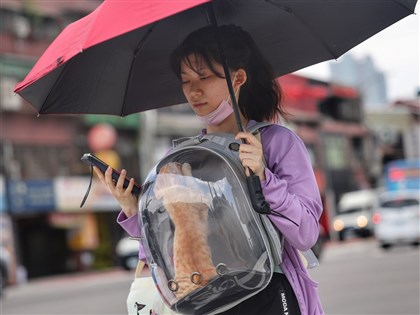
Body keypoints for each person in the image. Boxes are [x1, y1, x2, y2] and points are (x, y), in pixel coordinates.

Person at [95, 24, 324, 315]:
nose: (193, 91)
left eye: (203, 77)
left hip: (269, 295)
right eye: (185, 80)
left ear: (238, 78)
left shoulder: (277, 143)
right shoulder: (180, 159)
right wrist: (132, 210)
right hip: (208, 301)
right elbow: (167, 251)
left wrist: (264, 176)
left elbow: (305, 234)